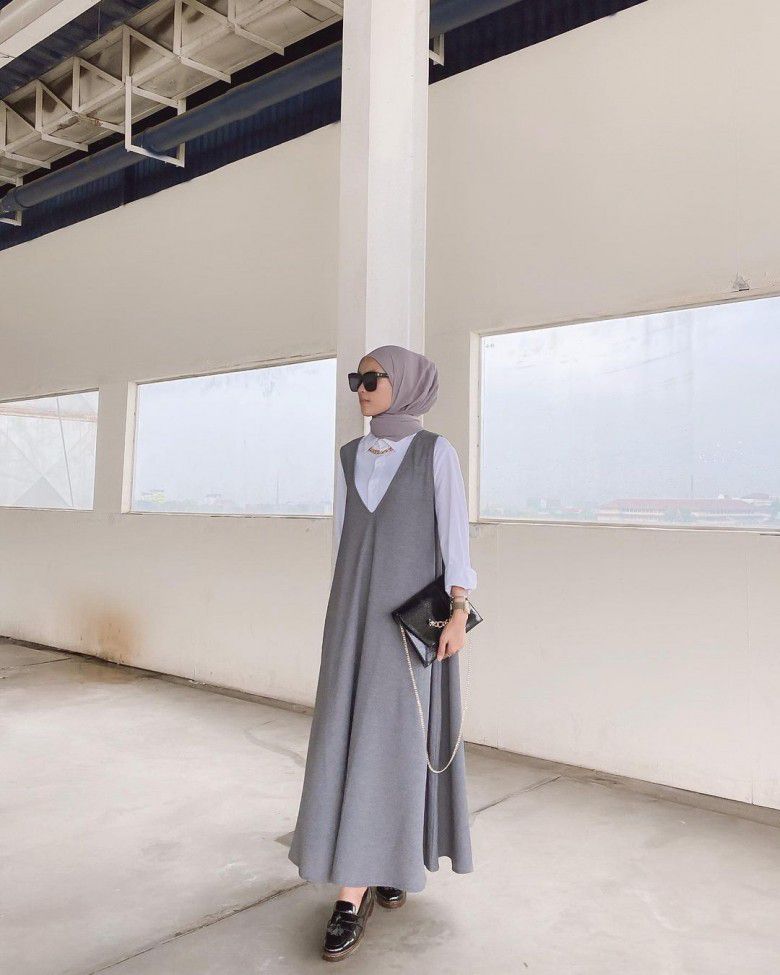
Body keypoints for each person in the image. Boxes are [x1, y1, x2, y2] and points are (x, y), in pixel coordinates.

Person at [287, 344, 477, 962]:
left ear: (408, 385)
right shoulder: (350, 456)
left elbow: (455, 538)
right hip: (352, 620)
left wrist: (459, 612)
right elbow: (344, 542)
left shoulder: (435, 453)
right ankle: (376, 867)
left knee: (393, 739)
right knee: (352, 737)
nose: (361, 389)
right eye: (356, 379)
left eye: (372, 379)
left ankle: (355, 890)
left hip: (407, 627)